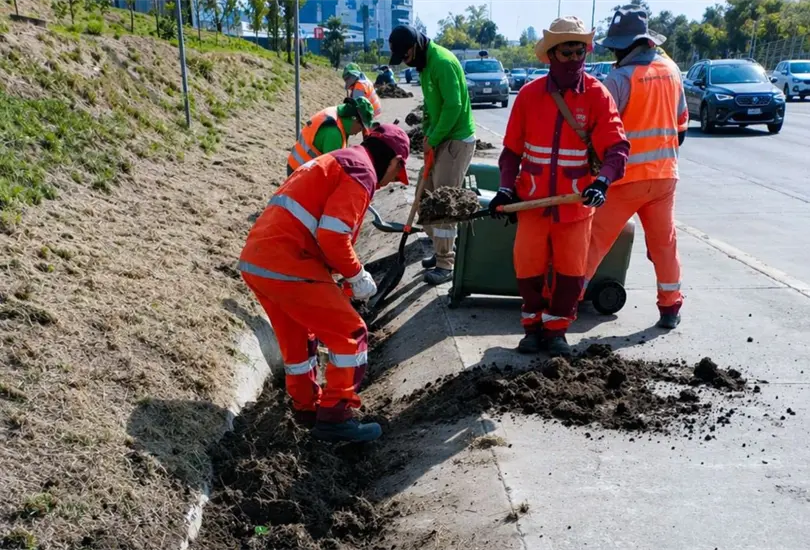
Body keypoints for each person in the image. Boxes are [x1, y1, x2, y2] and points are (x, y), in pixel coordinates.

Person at [239, 124, 411, 443]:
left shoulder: (340, 160)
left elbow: (322, 233)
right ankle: (336, 416)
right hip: (289, 260)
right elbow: (333, 236)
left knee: (299, 342)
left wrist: (341, 280)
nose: (389, 184)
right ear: (395, 161)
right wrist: (357, 276)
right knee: (351, 335)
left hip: (260, 260)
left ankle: (307, 410)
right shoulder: (361, 172)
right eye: (395, 175)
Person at [490, 16, 629, 357]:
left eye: (579, 52)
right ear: (551, 55)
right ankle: (532, 328)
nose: (573, 60)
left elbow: (617, 149)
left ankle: (556, 331)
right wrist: (506, 189)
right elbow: (511, 153)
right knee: (528, 269)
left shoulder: (597, 96)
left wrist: (602, 181)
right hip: (533, 203)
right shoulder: (528, 96)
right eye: (565, 53)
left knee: (570, 273)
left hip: (575, 205)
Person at [585, 5, 689, 329]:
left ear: (627, 45)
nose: (614, 52)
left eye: (616, 46)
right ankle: (670, 308)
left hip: (623, 180)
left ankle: (562, 306)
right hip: (663, 178)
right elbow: (682, 127)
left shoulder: (619, 78)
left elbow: (597, 133)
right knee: (664, 243)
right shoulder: (672, 71)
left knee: (592, 241)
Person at [388, 25, 476, 285]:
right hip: (439, 139)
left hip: (455, 141)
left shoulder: (442, 63)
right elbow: (431, 106)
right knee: (424, 197)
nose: (405, 62)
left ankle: (446, 262)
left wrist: (435, 138)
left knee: (443, 202)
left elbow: (453, 106)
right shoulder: (425, 66)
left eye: (405, 56)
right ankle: (442, 249)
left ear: (414, 47)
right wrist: (428, 134)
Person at [286, 97, 377, 177]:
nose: (358, 132)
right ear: (354, 119)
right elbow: (332, 170)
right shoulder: (333, 133)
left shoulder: (338, 114)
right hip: (301, 172)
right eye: (360, 127)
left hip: (299, 166)